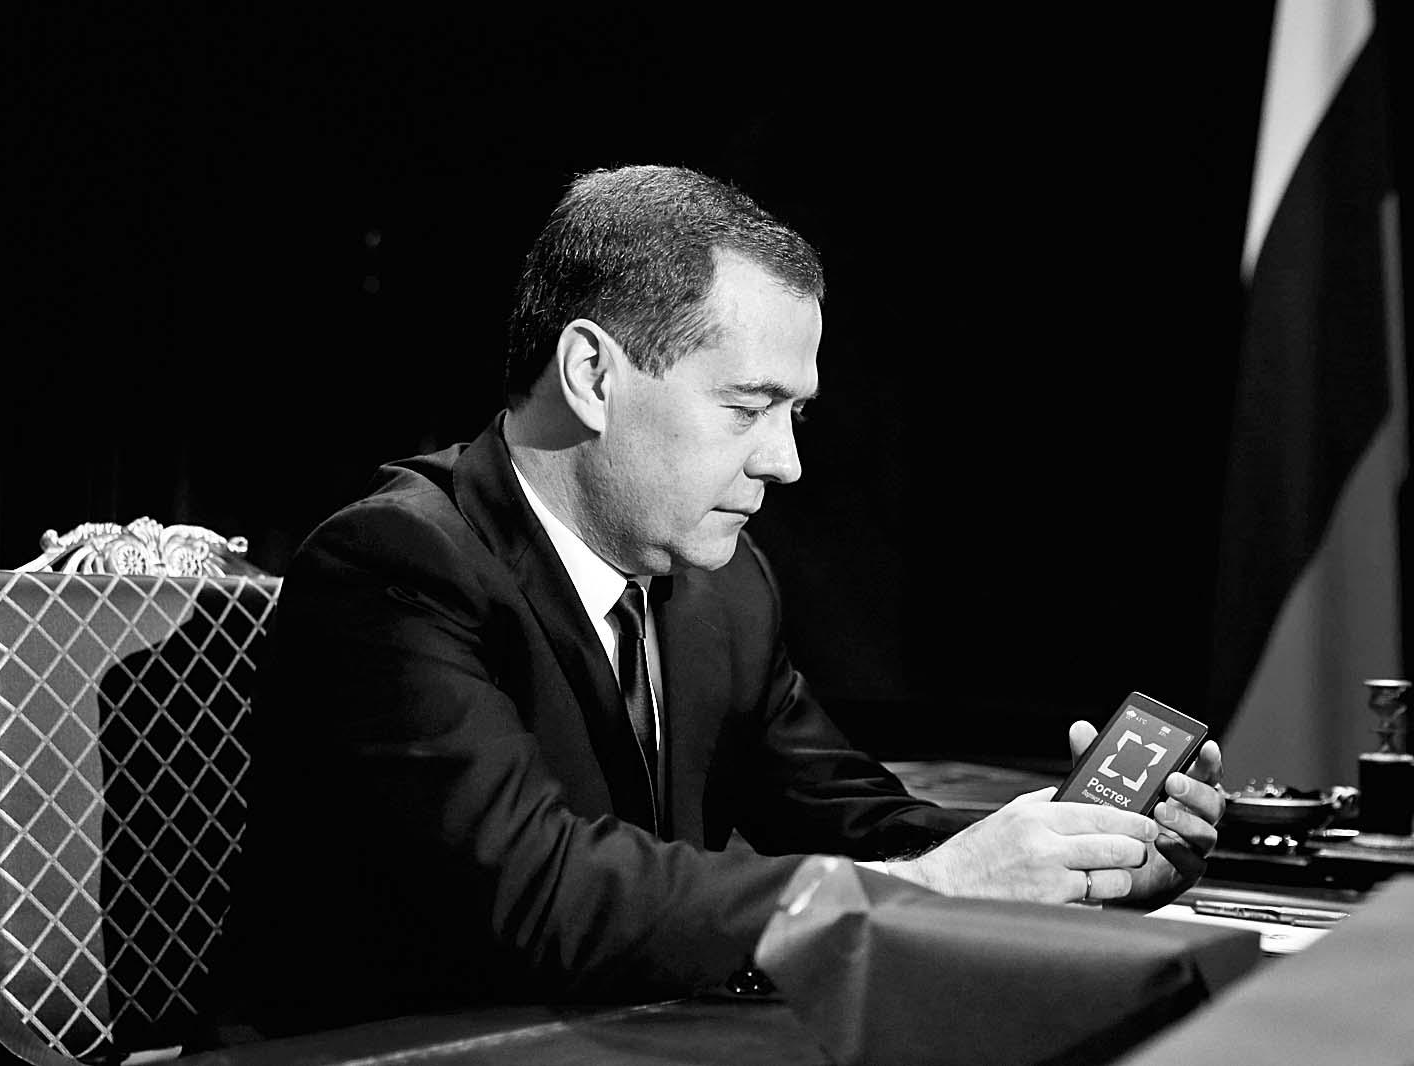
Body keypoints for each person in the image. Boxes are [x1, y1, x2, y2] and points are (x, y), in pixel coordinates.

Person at [223, 164, 1224, 1037]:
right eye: (746, 407)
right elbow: (541, 890)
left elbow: (849, 820)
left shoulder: (724, 586)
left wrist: (1070, 860)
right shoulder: (392, 565)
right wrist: (935, 889)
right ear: (591, 374)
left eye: (796, 414)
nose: (785, 462)